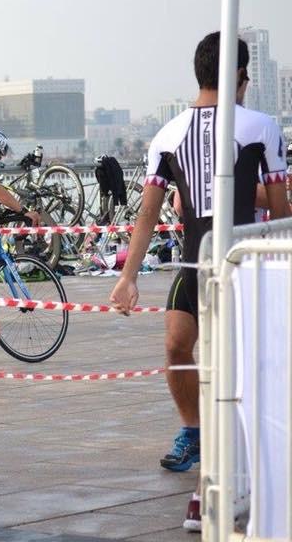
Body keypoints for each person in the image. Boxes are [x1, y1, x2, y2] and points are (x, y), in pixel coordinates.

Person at [109, 32, 288, 531]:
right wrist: (127, 277)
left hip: (241, 264)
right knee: (176, 348)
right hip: (194, 264)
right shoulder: (169, 135)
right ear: (237, 75)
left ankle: (214, 481)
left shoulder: (258, 128)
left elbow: (277, 212)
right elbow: (148, 213)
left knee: (232, 371)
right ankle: (196, 434)